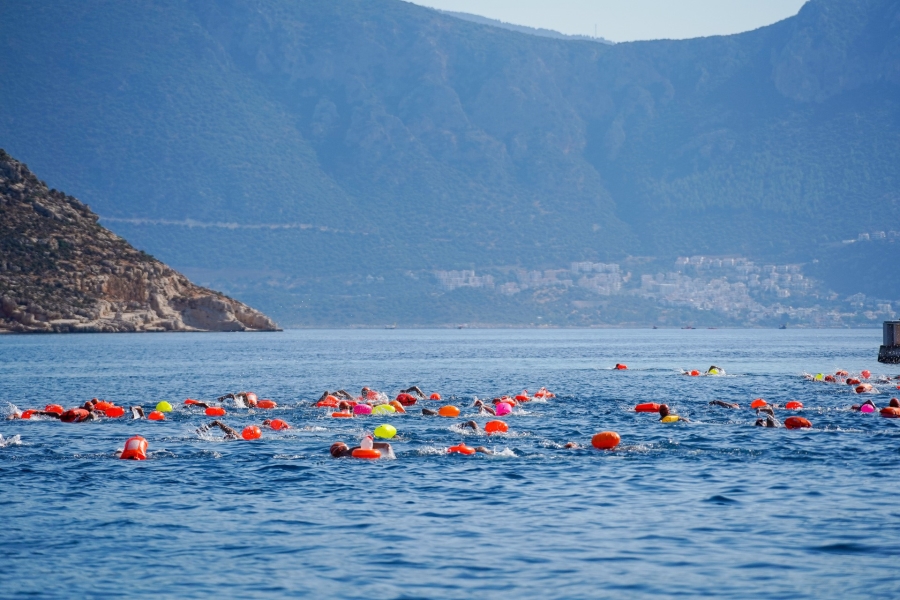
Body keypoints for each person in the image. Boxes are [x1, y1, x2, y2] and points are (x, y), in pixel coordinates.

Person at [330, 441, 396, 459]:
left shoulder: (337, 457)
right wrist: (387, 446)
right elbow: (384, 445)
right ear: (341, 448)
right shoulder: (351, 450)